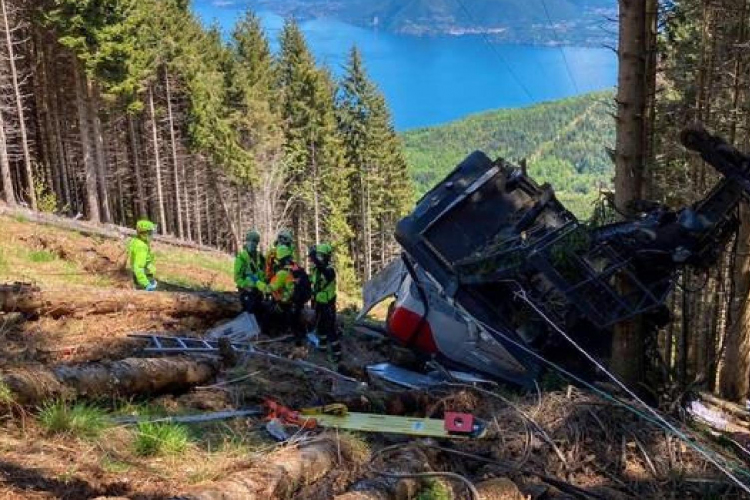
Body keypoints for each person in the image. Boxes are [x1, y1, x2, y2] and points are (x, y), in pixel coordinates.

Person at [260, 244, 310, 346]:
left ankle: (268, 336)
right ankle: (298, 338)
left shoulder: (282, 273)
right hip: (296, 303)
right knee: (294, 324)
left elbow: (269, 289)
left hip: (286, 303)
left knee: (267, 314)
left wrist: (256, 282)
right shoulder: (296, 269)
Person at [309, 243, 339, 364]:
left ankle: (337, 355)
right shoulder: (315, 270)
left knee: (330, 330)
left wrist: (315, 259)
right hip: (318, 303)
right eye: (318, 255)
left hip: (328, 305)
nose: (319, 258)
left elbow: (326, 274)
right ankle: (322, 349)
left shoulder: (330, 270)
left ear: (327, 257)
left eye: (322, 256)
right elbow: (313, 282)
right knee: (320, 328)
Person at [234, 229, 267, 320]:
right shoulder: (241, 258)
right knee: (249, 316)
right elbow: (237, 278)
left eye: (254, 241)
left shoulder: (260, 257)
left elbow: (264, 272)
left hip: (259, 291)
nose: (252, 243)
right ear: (247, 241)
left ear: (257, 243)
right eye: (250, 241)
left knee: (259, 316)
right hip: (247, 292)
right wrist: (245, 286)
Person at [128, 219, 157, 291]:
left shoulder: (138, 241)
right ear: (144, 233)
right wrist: (146, 284)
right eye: (150, 233)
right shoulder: (141, 247)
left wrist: (151, 268)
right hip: (143, 278)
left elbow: (146, 260)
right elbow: (138, 267)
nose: (152, 235)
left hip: (145, 275)